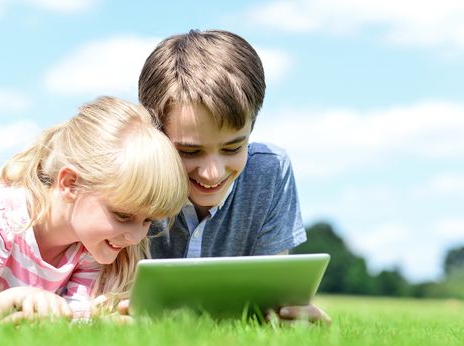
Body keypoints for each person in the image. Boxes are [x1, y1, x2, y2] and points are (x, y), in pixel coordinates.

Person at [129, 29, 330, 325]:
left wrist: (288, 317)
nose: (212, 172)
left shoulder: (270, 172)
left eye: (233, 147)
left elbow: (271, 295)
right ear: (154, 133)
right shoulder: (129, 173)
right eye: (189, 151)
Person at [0, 96, 188, 323]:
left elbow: (68, 323)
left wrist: (103, 323)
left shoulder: (88, 248)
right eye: (122, 216)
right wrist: (11, 301)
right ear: (70, 184)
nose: (137, 236)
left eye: (147, 221)